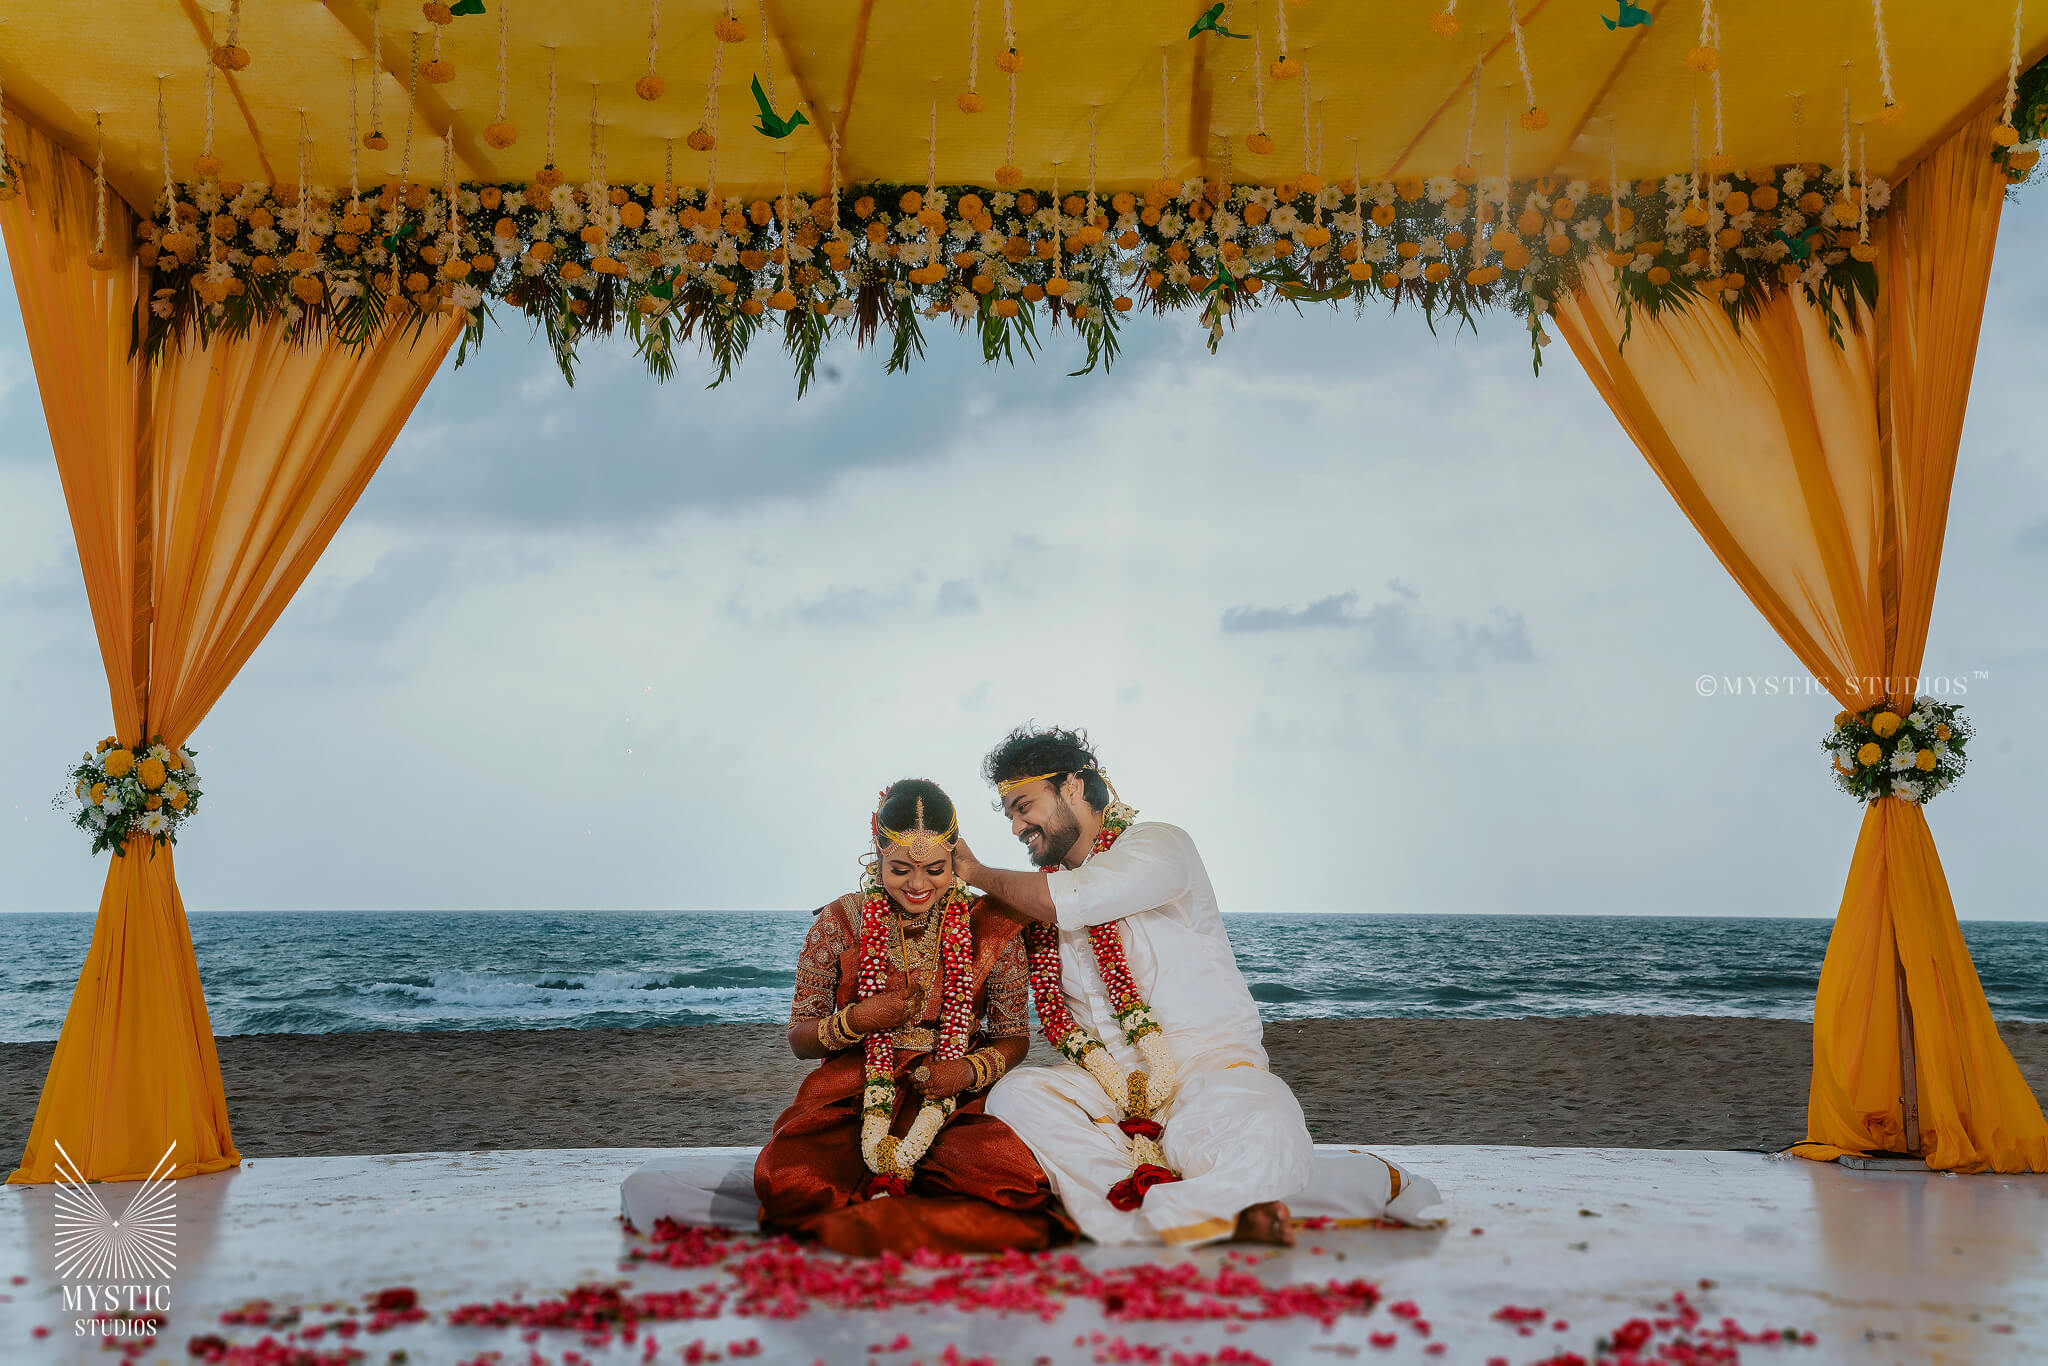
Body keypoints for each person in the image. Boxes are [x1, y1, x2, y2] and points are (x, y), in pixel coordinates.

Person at [952, 725, 1315, 1248]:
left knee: (1265, 1119)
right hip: (1108, 1086)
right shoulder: (1033, 899)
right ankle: (1174, 1201)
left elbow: (1078, 896)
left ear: (1073, 786)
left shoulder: (1160, 845)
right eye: (1008, 814)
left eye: (1023, 806)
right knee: (1017, 1096)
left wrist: (976, 872)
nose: (1016, 827)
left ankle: (1158, 1209)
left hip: (1206, 1070)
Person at [754, 778, 1078, 1257]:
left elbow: (1013, 1037)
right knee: (785, 1180)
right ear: (877, 855)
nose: (918, 885)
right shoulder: (840, 921)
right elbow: (800, 1038)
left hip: (952, 1094)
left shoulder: (989, 924)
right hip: (853, 1089)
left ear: (955, 859)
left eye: (935, 869)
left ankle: (889, 1207)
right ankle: (905, 1205)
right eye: (901, 869)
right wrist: (857, 1020)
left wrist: (967, 1069)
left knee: (1018, 1182)